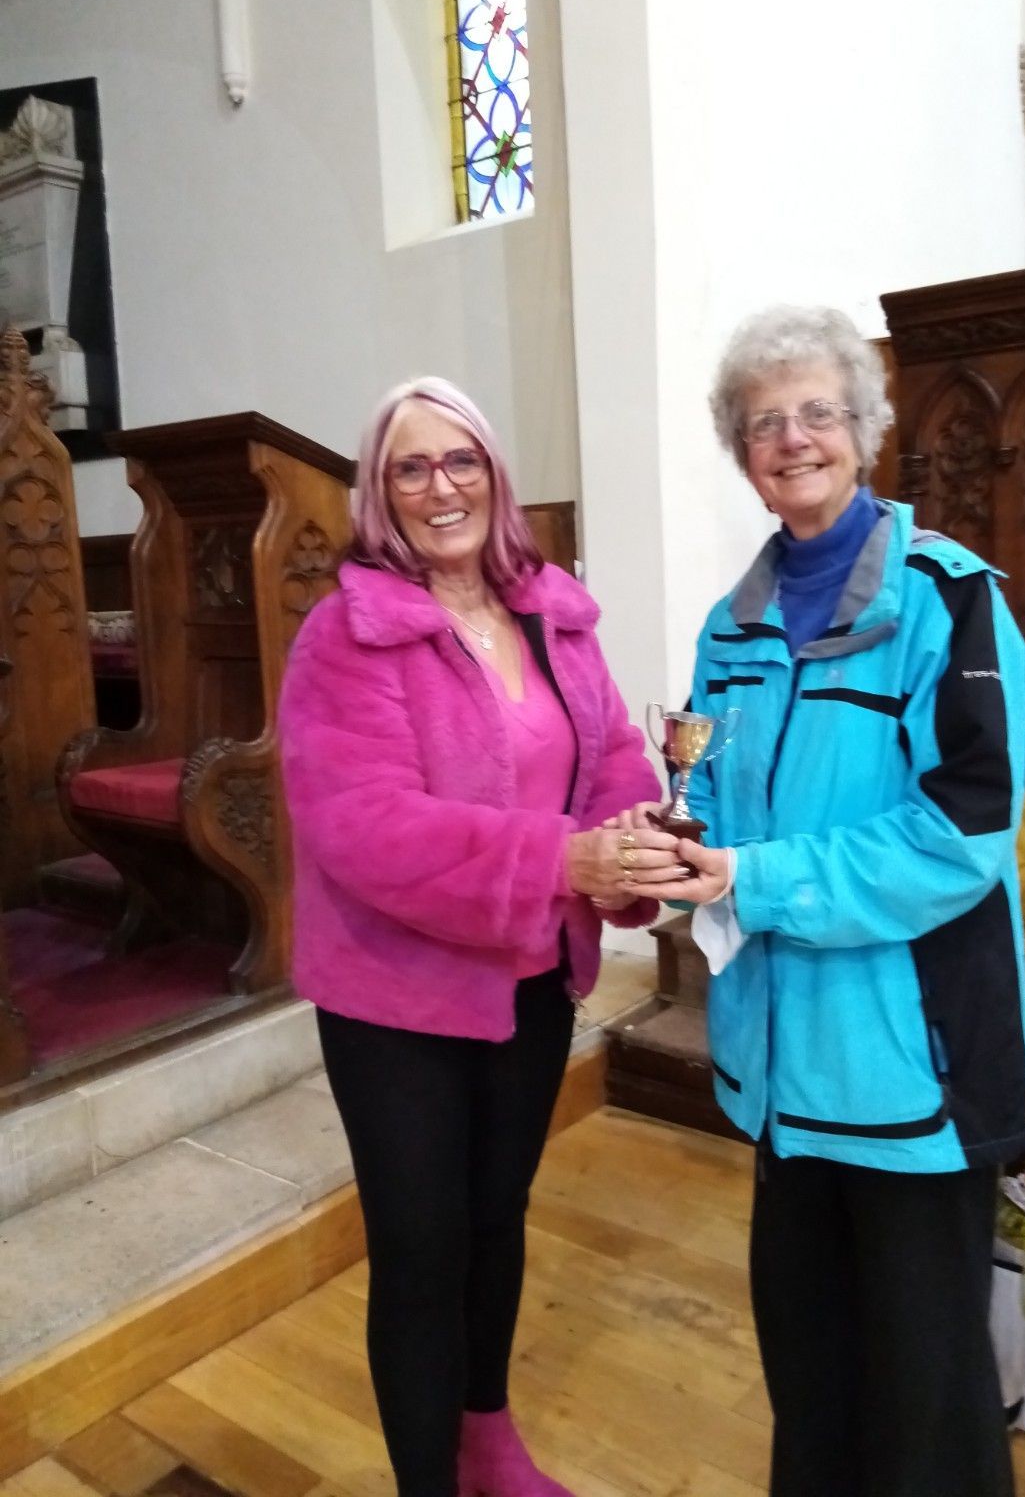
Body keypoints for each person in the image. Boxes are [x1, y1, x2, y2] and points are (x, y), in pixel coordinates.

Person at [623, 306, 1025, 1497]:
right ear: (742, 454)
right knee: (810, 1375)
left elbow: (961, 838)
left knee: (929, 1397)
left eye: (817, 412)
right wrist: (682, 837)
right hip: (779, 1074)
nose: (792, 438)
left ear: (865, 427)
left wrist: (758, 876)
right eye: (764, 423)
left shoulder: (949, 600)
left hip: (910, 1069)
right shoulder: (730, 627)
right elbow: (725, 812)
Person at [279, 378, 675, 1497]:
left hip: (532, 979)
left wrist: (635, 838)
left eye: (461, 460)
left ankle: (486, 1436)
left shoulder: (556, 611)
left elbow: (611, 759)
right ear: (380, 492)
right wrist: (564, 860)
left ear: (495, 476)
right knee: (420, 1251)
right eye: (411, 466)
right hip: (394, 999)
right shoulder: (346, 636)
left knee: (497, 1218)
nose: (440, 484)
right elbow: (365, 828)